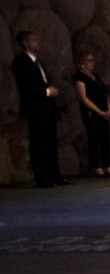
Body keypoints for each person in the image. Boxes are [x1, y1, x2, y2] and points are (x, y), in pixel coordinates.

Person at [11, 31, 67, 187]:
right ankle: (42, 177)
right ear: (25, 43)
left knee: (50, 143)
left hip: (46, 108)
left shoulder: (38, 62)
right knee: (39, 143)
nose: (38, 42)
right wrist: (47, 92)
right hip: (35, 109)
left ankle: (54, 174)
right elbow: (26, 87)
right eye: (34, 40)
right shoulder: (21, 62)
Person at [73, 52, 110, 177]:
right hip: (92, 112)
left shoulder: (95, 76)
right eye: (89, 60)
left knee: (105, 137)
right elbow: (84, 98)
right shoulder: (79, 77)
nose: (92, 63)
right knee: (94, 138)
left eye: (92, 60)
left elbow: (103, 93)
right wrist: (99, 112)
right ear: (82, 64)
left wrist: (108, 109)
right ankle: (96, 166)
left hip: (103, 110)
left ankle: (107, 165)